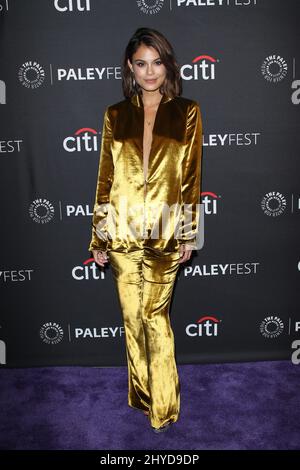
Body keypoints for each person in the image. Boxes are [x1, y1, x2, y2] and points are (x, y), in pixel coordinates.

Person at [88, 27, 203, 433]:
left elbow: (190, 177)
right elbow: (106, 177)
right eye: (141, 63)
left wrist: (190, 232)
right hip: (120, 230)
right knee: (132, 319)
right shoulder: (115, 115)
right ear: (130, 68)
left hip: (167, 232)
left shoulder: (187, 110)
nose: (150, 72)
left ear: (167, 65)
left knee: (155, 316)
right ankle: (141, 394)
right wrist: (99, 236)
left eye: (157, 62)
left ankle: (165, 407)